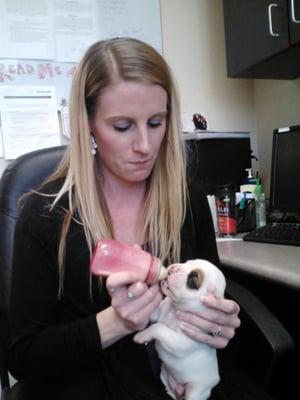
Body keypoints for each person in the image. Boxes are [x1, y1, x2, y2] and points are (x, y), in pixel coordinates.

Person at [9, 38, 272, 400]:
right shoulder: (45, 215)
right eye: (122, 127)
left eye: (156, 122)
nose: (145, 146)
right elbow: (24, 356)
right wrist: (116, 323)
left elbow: (212, 328)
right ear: (88, 124)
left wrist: (219, 326)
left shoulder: (187, 202)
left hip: (182, 379)